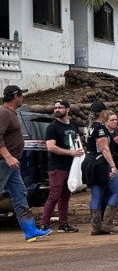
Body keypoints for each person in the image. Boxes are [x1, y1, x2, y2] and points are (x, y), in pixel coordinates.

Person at [0, 85, 51, 242]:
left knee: (20, 194)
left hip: (12, 164)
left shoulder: (12, 113)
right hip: (3, 162)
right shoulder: (4, 113)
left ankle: (30, 230)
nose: (23, 98)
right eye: (21, 95)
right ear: (16, 96)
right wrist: (8, 157)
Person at [39, 99, 83, 233]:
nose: (57, 110)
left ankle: (63, 224)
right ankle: (43, 224)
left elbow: (77, 140)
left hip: (71, 166)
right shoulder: (52, 127)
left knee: (65, 196)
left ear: (68, 109)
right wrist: (70, 152)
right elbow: (50, 147)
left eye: (60, 107)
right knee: (54, 195)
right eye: (55, 108)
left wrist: (79, 151)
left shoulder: (73, 125)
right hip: (57, 166)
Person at [85, 102, 118, 235]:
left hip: (89, 162)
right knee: (117, 190)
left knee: (96, 194)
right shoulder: (100, 128)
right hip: (100, 163)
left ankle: (96, 227)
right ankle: (107, 223)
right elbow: (104, 149)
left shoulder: (89, 127)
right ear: (102, 113)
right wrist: (112, 166)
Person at [102, 111, 118, 227]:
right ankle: (107, 219)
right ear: (106, 121)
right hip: (109, 167)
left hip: (116, 166)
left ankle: (107, 218)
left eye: (116, 120)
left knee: (110, 192)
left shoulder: (115, 133)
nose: (115, 122)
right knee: (116, 191)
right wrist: (112, 166)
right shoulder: (104, 134)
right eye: (112, 120)